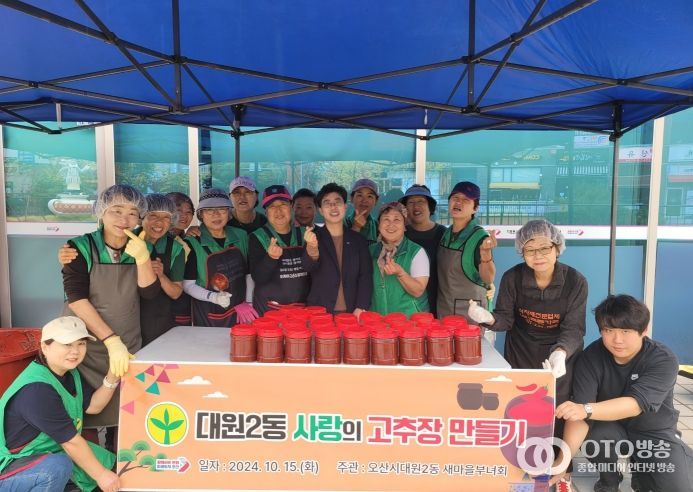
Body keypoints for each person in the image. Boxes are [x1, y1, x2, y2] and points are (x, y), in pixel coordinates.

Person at [552, 295, 693, 492]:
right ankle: (609, 480)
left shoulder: (663, 358)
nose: (617, 340)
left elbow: (635, 404)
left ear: (644, 330)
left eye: (626, 331)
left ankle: (645, 469)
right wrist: (561, 462)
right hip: (610, 427)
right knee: (595, 437)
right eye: (608, 331)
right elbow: (578, 415)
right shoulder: (591, 357)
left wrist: (585, 409)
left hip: (654, 432)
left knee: (678, 487)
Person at [62, 184, 159, 446]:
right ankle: (90, 466)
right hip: (84, 345)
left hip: (127, 341)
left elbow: (149, 293)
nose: (124, 219)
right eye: (116, 210)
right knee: (83, 412)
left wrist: (143, 259)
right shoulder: (79, 247)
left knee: (125, 410)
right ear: (101, 212)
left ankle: (120, 460)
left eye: (132, 213)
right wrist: (110, 339)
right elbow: (76, 299)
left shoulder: (140, 245)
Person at [0, 317, 120, 492]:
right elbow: (71, 443)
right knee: (57, 468)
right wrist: (102, 475)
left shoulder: (69, 373)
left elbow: (93, 406)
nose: (75, 351)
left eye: (81, 344)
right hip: (9, 468)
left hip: (47, 451)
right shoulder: (37, 389)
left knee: (109, 463)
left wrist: (113, 376)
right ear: (45, 347)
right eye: (67, 344)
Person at [59, 194, 186, 346]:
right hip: (92, 329)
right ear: (142, 218)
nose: (159, 222)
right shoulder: (95, 242)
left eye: (166, 218)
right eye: (153, 216)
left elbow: (164, 292)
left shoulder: (168, 248)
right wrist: (71, 259)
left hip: (143, 324)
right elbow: (76, 296)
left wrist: (154, 270)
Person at [183, 188, 257, 327]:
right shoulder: (191, 243)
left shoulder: (241, 236)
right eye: (209, 210)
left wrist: (248, 301)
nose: (216, 215)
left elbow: (248, 273)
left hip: (241, 311)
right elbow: (188, 286)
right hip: (208, 314)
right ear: (201, 214)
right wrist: (214, 297)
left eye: (222, 209)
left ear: (229, 213)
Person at [303, 183, 372, 316]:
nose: (333, 206)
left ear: (345, 207)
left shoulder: (359, 240)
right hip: (320, 312)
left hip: (352, 312)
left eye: (337, 201)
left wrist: (361, 306)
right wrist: (312, 249)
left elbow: (365, 276)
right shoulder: (313, 237)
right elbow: (307, 267)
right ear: (320, 210)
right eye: (327, 203)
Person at [249, 185, 315, 315]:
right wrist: (270, 258)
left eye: (283, 204)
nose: (278, 211)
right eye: (272, 206)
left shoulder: (306, 234)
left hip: (301, 310)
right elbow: (258, 278)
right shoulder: (258, 237)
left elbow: (314, 272)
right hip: (269, 311)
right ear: (266, 212)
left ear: (291, 207)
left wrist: (313, 249)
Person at [436, 181, 496, 320]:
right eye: (455, 198)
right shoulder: (446, 233)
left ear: (475, 208)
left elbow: (488, 279)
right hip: (445, 310)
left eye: (466, 200)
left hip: (470, 315)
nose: (458, 202)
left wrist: (486, 254)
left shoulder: (479, 237)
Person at [369, 202, 429, 316]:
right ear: (379, 225)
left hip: (409, 320)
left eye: (397, 220)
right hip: (377, 320)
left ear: (404, 226)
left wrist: (400, 273)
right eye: (386, 219)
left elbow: (418, 291)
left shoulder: (416, 252)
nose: (391, 224)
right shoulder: (370, 251)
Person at [400, 184, 446, 316]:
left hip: (438, 298)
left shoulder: (443, 234)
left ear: (430, 207)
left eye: (421, 201)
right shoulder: (400, 234)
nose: (416, 206)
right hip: (408, 302)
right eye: (411, 202)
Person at [165, 191, 195, 325]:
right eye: (178, 210)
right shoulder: (154, 238)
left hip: (183, 305)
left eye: (189, 212)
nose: (184, 216)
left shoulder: (188, 239)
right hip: (161, 306)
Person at [344, 178, 379, 244]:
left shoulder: (378, 226)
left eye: (369, 196)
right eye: (360, 195)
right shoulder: (342, 224)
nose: (364, 200)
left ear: (376, 201)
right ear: (351, 198)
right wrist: (356, 228)